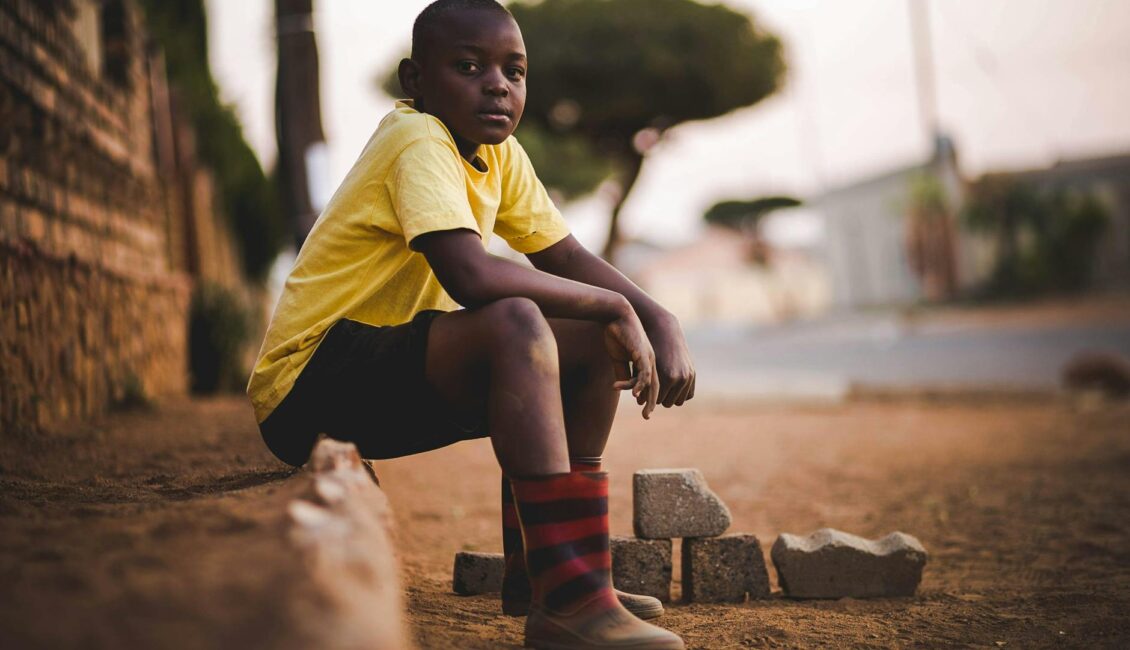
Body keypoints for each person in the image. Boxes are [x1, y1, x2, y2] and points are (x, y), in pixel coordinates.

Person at [247, 1, 693, 647]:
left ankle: (556, 572)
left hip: (381, 371)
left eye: (514, 72)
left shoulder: (500, 154)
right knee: (518, 321)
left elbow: (564, 255)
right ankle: (568, 605)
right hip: (307, 387)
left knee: (589, 340)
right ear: (415, 80)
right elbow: (471, 277)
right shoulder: (416, 138)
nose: (497, 85)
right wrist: (617, 306)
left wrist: (655, 314)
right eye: (467, 66)